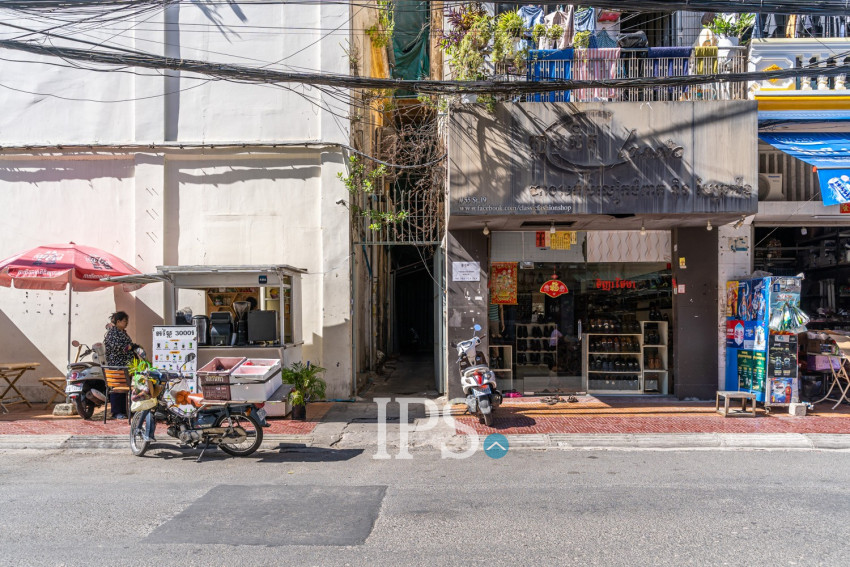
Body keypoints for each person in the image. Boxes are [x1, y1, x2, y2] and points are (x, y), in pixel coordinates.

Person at [104, 311, 133, 419]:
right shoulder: (113, 333)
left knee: (124, 389)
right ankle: (116, 412)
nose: (126, 323)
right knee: (117, 389)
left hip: (124, 366)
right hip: (117, 366)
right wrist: (129, 347)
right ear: (118, 321)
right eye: (125, 321)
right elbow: (116, 347)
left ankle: (124, 411)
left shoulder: (122, 332)